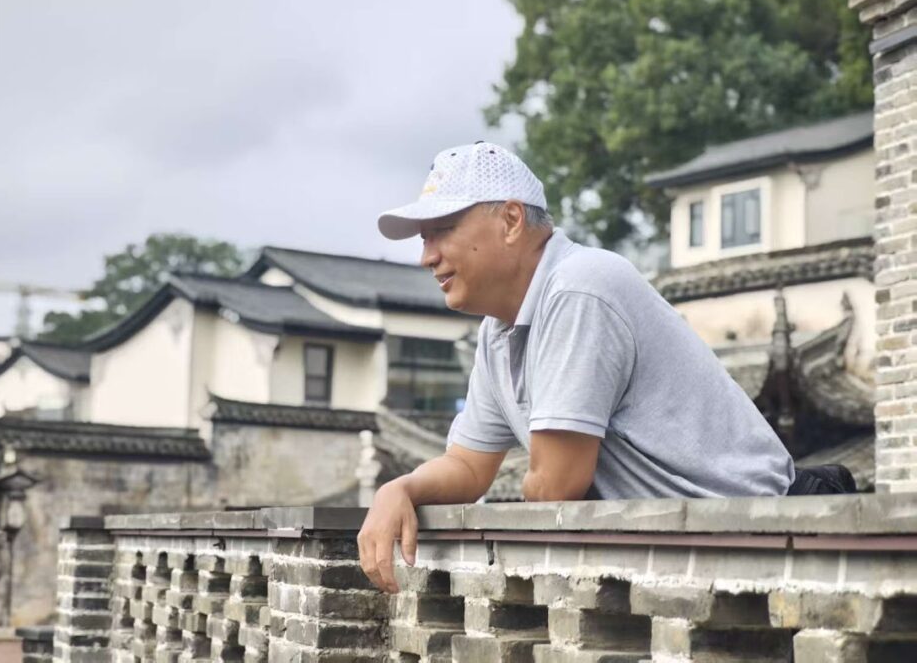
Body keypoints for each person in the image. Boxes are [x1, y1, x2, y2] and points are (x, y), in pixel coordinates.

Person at [357, 141, 849, 594]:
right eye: (423, 239)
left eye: (441, 231)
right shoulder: (498, 330)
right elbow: (468, 466)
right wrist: (400, 489)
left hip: (765, 547)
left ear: (510, 221)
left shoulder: (579, 287)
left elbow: (555, 485)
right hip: (692, 554)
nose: (427, 257)